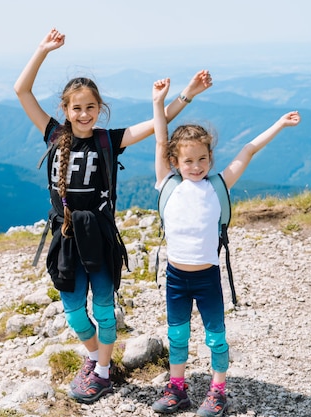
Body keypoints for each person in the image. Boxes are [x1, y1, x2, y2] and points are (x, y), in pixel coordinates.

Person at [13, 27, 213, 404]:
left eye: (90, 107)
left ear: (99, 108)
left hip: (100, 235)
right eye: (77, 108)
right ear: (65, 110)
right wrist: (42, 50)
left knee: (105, 307)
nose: (84, 114)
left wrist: (186, 94)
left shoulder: (108, 139)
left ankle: (103, 372)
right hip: (67, 236)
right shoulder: (53, 134)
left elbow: (158, 124)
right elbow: (21, 91)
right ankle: (94, 356)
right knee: (74, 313)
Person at [151, 77, 301, 416]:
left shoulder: (218, 184)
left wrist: (279, 123)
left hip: (206, 278)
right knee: (177, 337)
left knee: (216, 337)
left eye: (202, 158)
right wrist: (158, 103)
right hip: (176, 277)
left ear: (210, 157)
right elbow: (161, 139)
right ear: (175, 161)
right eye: (188, 161)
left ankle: (217, 391)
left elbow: (247, 150)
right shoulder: (167, 184)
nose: (196, 166)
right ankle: (178, 388)